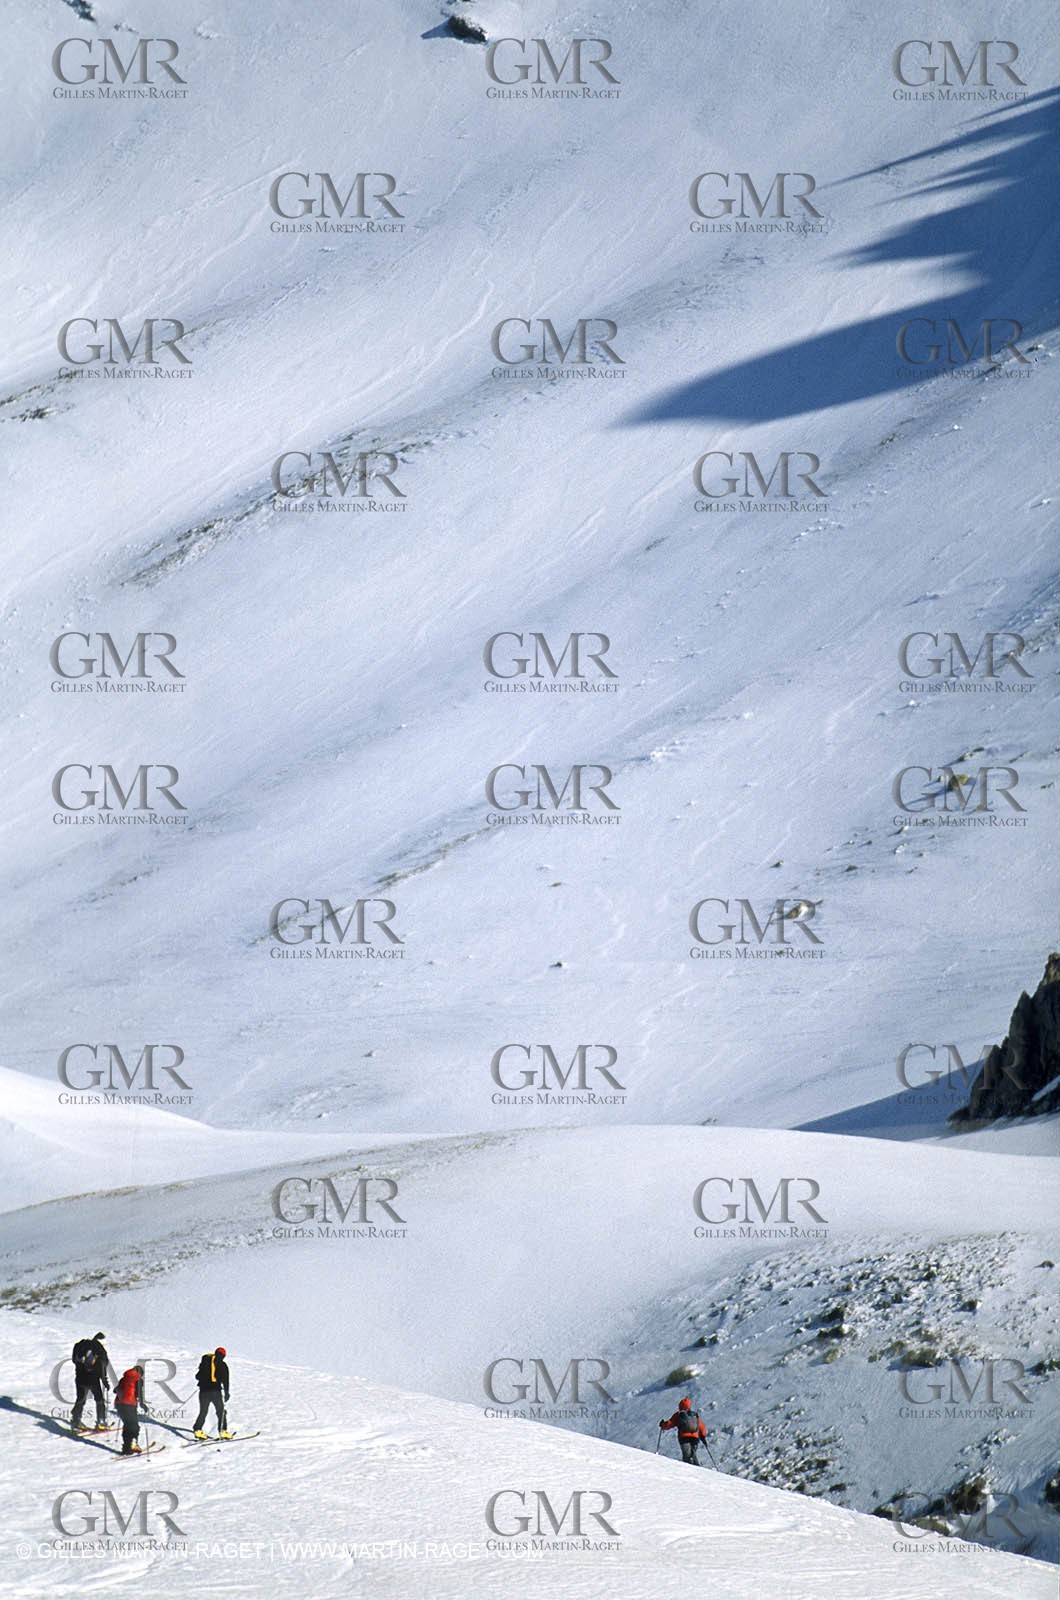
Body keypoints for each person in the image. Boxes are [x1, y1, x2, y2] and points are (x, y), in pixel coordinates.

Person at [70, 1331, 109, 1431]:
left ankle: (76, 1420)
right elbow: (103, 1364)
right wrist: (104, 1380)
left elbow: (74, 1361)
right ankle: (101, 1421)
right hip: (93, 1377)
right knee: (99, 1399)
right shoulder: (99, 1349)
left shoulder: (79, 1346)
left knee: (81, 1398)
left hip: (79, 1377)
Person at [193, 1348, 231, 1438]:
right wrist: (227, 1393)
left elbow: (197, 1376)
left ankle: (197, 1429)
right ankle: (223, 1431)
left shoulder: (205, 1362)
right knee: (221, 1411)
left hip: (203, 1391)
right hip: (215, 1392)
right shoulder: (223, 1365)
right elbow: (225, 1381)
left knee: (203, 1411)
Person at [660, 1396, 708, 1464]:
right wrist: (703, 1437)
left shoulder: (679, 1414)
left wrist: (663, 1425)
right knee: (693, 1454)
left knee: (686, 1455)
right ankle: (697, 1469)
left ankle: (687, 1469)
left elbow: (670, 1424)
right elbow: (702, 1426)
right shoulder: (694, 1415)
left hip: (684, 1437)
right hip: (695, 1438)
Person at [114, 1363, 145, 1455]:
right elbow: (139, 1393)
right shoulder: (138, 1380)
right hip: (129, 1404)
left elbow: (116, 1390)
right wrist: (142, 1404)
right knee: (134, 1426)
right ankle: (132, 1444)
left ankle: (126, 1447)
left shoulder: (124, 1378)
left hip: (119, 1404)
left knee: (127, 1424)